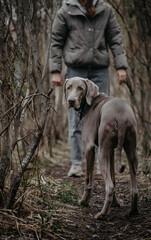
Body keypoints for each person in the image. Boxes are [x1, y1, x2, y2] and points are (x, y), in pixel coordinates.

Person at [49, 0, 127, 177]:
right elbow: (56, 41)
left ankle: (101, 163)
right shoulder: (66, 10)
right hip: (75, 69)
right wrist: (55, 70)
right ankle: (77, 163)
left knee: (102, 118)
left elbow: (115, 37)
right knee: (75, 119)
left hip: (100, 71)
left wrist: (121, 66)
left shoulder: (105, 9)